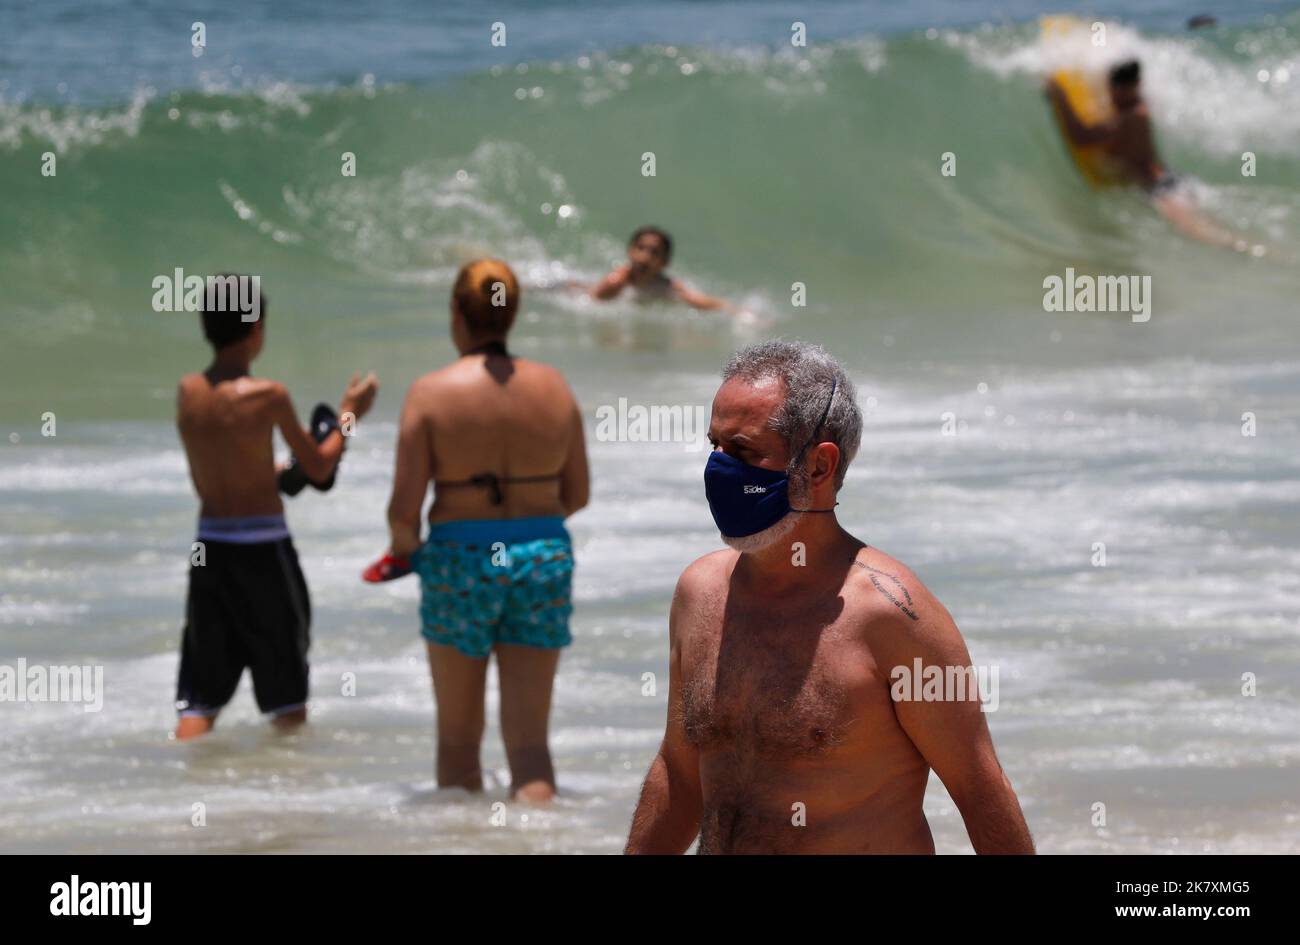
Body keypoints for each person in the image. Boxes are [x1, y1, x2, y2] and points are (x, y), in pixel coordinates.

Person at [625, 340, 1034, 854]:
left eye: (745, 452)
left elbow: (980, 791)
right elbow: (680, 773)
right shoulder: (700, 594)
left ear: (818, 467)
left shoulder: (892, 616)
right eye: (715, 446)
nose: (719, 468)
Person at [380, 258, 589, 803]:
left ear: (456, 312)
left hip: (459, 560)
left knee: (456, 742)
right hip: (542, 559)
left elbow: (403, 513)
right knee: (530, 749)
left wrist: (408, 554)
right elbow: (578, 494)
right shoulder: (554, 387)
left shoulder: (429, 393)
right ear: (512, 312)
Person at [174, 275, 378, 739]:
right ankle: (287, 799)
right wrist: (349, 414)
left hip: (209, 551)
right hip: (263, 553)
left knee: (199, 699)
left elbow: (223, 470)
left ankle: (176, 793)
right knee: (287, 701)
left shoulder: (189, 393)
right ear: (256, 328)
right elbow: (322, 467)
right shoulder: (268, 395)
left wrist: (280, 472)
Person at [1045, 60, 1241, 248]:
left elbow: (1082, 136)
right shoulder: (1138, 109)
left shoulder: (1129, 118)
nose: (1114, 94)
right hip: (1169, 181)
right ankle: (1244, 248)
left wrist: (1060, 95)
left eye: (1118, 88)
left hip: (1160, 188)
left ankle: (1247, 251)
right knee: (1211, 227)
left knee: (1197, 231)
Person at [590, 226, 732, 311]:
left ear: (665, 262)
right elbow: (593, 301)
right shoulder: (618, 281)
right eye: (640, 248)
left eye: (654, 252)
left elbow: (700, 302)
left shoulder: (669, 286)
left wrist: (730, 309)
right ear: (630, 251)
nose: (644, 257)